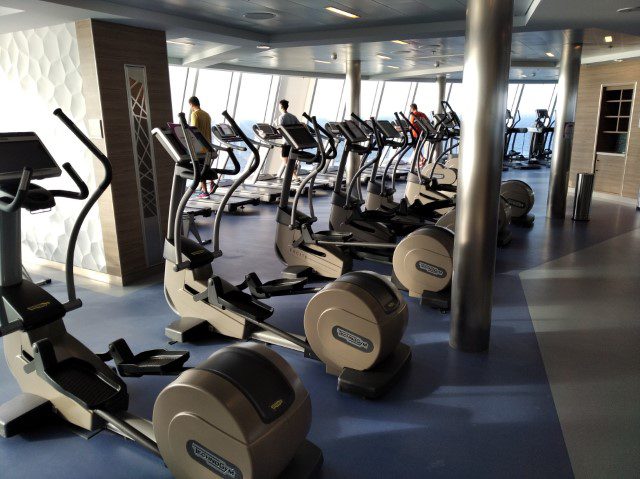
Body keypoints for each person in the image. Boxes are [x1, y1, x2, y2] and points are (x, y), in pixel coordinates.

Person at [188, 96, 213, 199]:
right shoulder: (207, 115)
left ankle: (205, 192)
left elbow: (194, 130)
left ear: (191, 104)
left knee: (200, 169)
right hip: (208, 145)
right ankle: (212, 183)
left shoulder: (195, 114)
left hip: (200, 146)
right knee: (206, 167)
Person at [275, 99, 301, 182]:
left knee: (285, 160)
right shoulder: (293, 116)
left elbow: (280, 130)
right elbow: (299, 126)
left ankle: (295, 177)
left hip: (286, 142)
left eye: (279, 106)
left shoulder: (281, 117)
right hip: (294, 142)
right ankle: (294, 169)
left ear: (281, 106)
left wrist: (276, 125)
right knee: (287, 158)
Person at [408, 103, 428, 168]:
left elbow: (410, 125)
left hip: (416, 133)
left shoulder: (413, 114)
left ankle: (422, 159)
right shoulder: (422, 114)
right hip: (423, 133)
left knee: (415, 147)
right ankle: (421, 159)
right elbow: (428, 121)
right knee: (417, 147)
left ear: (411, 108)